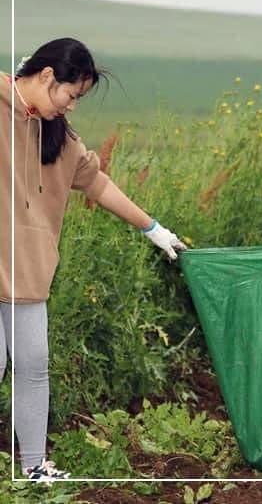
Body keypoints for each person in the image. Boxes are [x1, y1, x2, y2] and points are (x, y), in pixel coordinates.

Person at [2, 38, 187, 482]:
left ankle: (33, 467)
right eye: (71, 95)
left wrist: (153, 228)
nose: (72, 107)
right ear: (46, 77)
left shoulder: (59, 138)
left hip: (27, 270)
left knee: (32, 367)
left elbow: (99, 186)